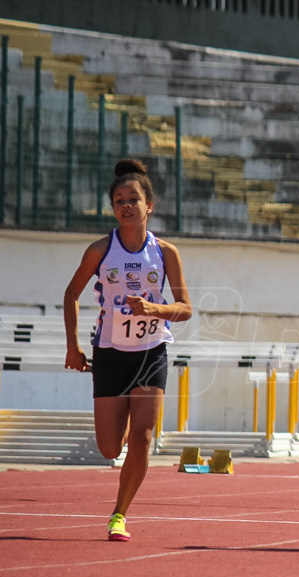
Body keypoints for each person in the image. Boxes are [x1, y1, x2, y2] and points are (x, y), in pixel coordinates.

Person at [64, 159, 193, 542]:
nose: (125, 205)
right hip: (111, 353)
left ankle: (119, 514)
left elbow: (185, 309)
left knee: (143, 437)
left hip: (152, 350)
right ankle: (119, 434)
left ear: (148, 205)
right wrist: (73, 348)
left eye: (133, 199)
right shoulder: (100, 250)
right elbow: (71, 294)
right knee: (109, 447)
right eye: (118, 200)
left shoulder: (166, 252)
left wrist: (156, 309)